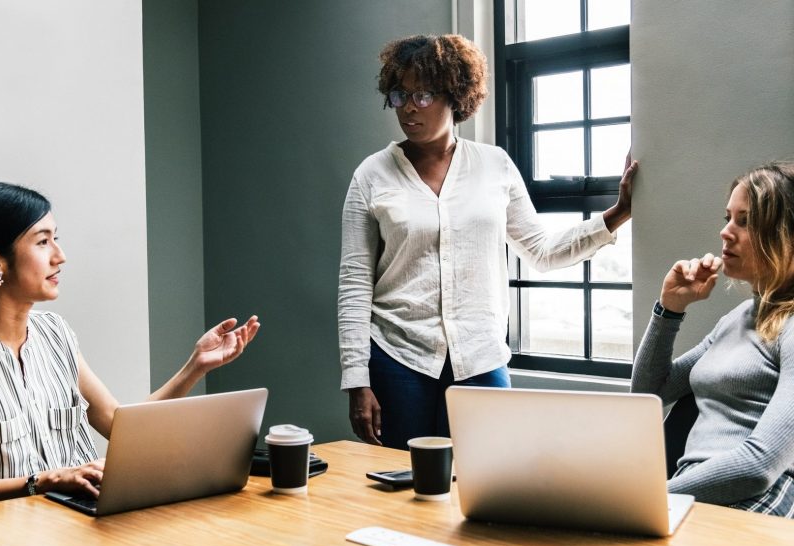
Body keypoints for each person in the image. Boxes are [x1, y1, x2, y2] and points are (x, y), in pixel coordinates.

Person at [338, 34, 637, 449]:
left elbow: (542, 251)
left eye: (422, 94)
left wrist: (617, 213)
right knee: (404, 491)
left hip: (480, 356)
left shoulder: (494, 166)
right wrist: (357, 380)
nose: (407, 106)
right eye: (399, 94)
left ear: (455, 95)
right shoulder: (371, 175)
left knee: (487, 481)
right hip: (397, 360)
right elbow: (354, 284)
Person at [0, 182, 260, 500]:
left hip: (81, 522)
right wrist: (45, 481)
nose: (60, 257)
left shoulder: (56, 334)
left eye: (56, 239)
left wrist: (195, 366)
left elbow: (123, 429)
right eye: (42, 242)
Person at [632, 161, 794, 517]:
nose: (726, 232)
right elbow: (649, 391)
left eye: (746, 221)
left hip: (752, 501)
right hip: (691, 490)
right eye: (728, 218)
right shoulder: (735, 320)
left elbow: (759, 466)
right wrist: (669, 309)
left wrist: (647, 495)